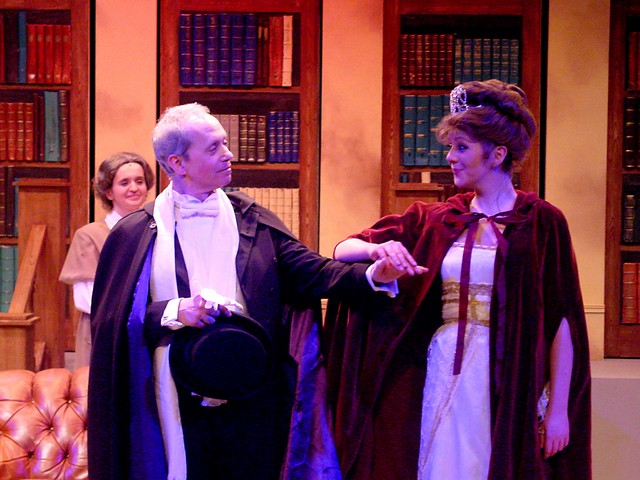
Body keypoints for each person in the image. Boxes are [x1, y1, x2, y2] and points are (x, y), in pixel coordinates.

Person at [87, 102, 418, 480]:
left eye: (225, 143)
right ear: (177, 163)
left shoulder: (252, 219)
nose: (228, 154)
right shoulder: (134, 233)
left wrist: (373, 274)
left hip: (252, 394)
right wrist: (175, 311)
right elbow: (113, 322)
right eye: (213, 148)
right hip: (172, 396)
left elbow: (314, 272)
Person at [325, 80, 591, 479]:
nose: (450, 157)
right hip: (442, 363)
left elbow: (562, 320)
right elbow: (342, 249)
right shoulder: (438, 217)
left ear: (498, 154)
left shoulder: (541, 221)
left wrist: (558, 411)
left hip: (509, 371)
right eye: (450, 146)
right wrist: (378, 250)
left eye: (462, 147)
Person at [59, 152, 154, 368]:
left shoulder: (156, 232)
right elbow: (86, 298)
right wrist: (138, 313)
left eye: (139, 181)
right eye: (124, 183)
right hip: (104, 333)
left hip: (146, 331)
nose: (134, 188)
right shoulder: (89, 235)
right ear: (109, 192)